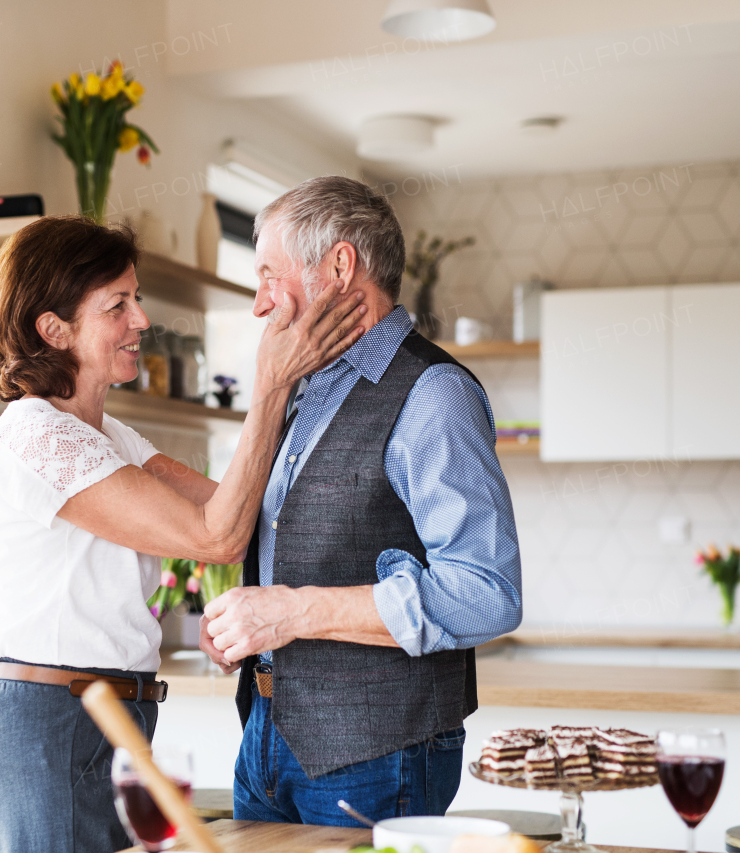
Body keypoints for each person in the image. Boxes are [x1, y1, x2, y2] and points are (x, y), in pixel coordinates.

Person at [0, 215, 367, 853]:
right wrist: (270, 381)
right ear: (53, 327)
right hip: (52, 725)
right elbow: (216, 537)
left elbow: (244, 512)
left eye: (137, 299)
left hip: (108, 717)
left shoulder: (112, 437)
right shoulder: (37, 433)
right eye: (116, 305)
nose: (141, 321)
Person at [199, 176, 523, 825]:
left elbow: (488, 591)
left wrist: (291, 613)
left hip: (379, 753)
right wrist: (247, 626)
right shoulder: (294, 391)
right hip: (263, 736)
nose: (261, 304)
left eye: (269, 274)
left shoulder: (434, 395)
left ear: (340, 267)